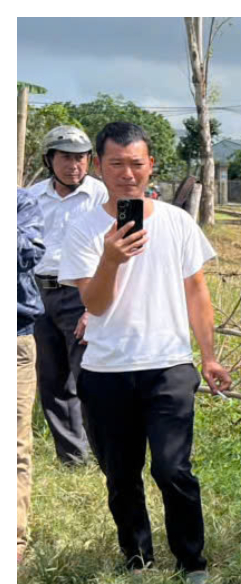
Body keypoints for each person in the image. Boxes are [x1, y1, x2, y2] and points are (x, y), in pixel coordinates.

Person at [58, 122, 232, 584]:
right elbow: (93, 305)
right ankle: (137, 561)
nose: (127, 174)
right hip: (106, 370)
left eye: (136, 163)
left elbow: (196, 291)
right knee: (121, 474)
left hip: (169, 366)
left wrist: (209, 357)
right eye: (115, 164)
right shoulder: (82, 228)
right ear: (98, 166)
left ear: (151, 165)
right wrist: (111, 257)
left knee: (173, 469)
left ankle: (193, 566)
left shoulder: (176, 222)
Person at [29, 125, 108, 466]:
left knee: (89, 377)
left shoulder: (104, 197)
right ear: (49, 160)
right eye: (65, 158)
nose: (73, 165)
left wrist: (94, 307)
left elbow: (117, 253)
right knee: (52, 378)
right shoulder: (29, 197)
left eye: (80, 158)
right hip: (37, 295)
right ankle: (73, 458)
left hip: (82, 293)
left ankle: (108, 454)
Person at [17, 188, 47, 567]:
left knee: (13, 443)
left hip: (15, 336)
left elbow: (27, 253)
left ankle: (13, 541)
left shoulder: (21, 202)